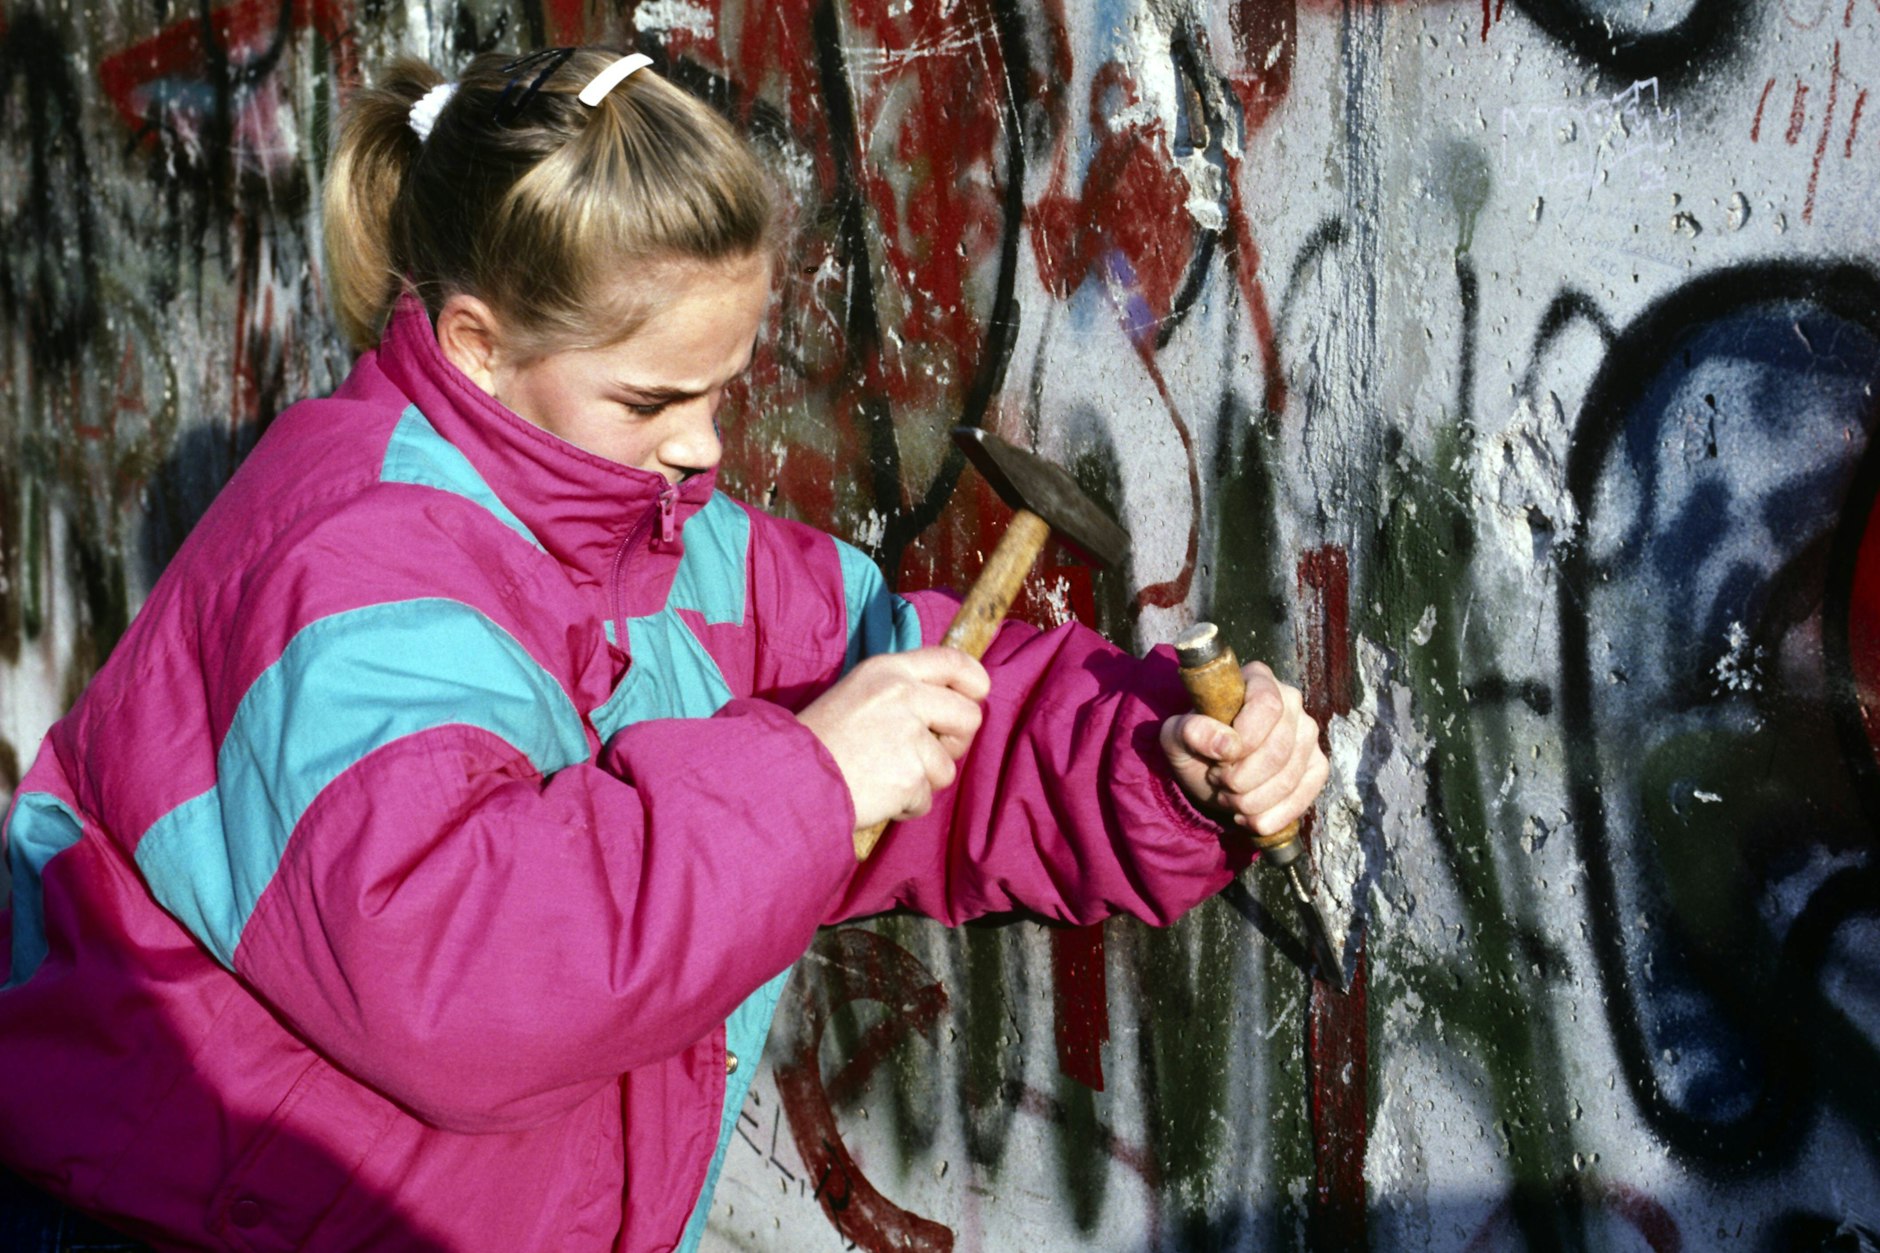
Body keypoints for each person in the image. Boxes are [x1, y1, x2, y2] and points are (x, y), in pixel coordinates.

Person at [0, 46, 1329, 1252]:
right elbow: (464, 978)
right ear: (478, 347)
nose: (702, 443)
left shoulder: (668, 539)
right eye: (654, 396)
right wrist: (811, 778)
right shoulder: (348, 563)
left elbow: (909, 717)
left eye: (721, 386)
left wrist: (1155, 766)